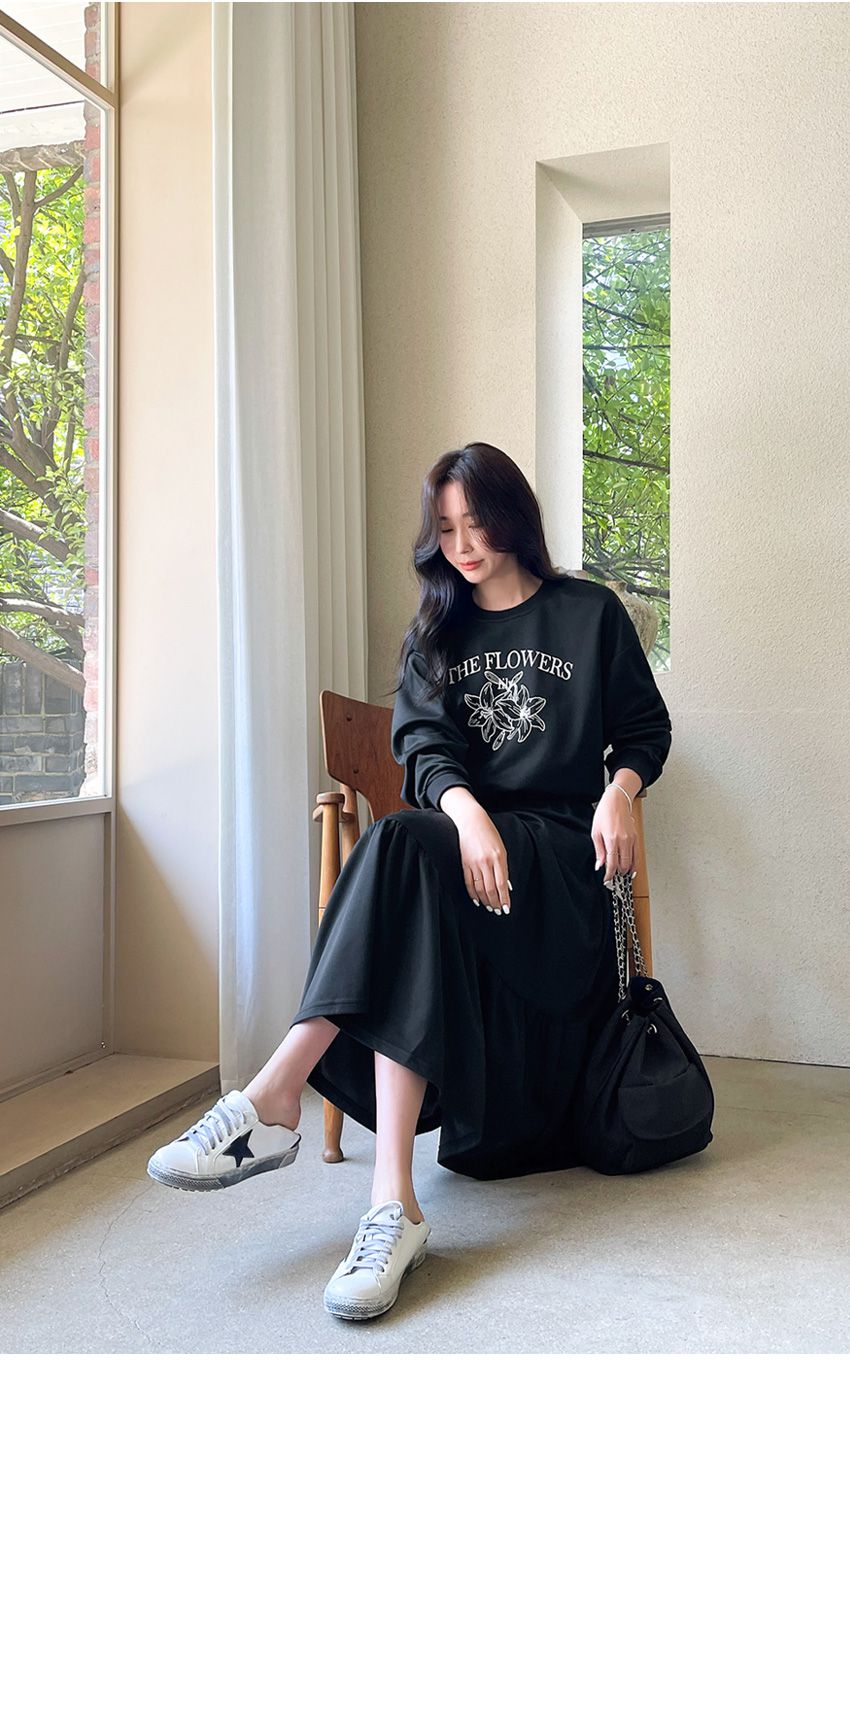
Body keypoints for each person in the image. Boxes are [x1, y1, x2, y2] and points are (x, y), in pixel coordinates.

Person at [147, 442, 673, 1323]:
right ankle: (391, 1203)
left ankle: (276, 1093)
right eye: (446, 529)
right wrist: (469, 816)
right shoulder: (436, 631)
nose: (462, 546)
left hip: (554, 864)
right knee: (410, 861)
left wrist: (619, 792)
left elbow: (644, 729)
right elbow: (422, 749)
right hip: (466, 854)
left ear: (513, 518)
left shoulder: (588, 613)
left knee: (398, 847)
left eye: (477, 524)